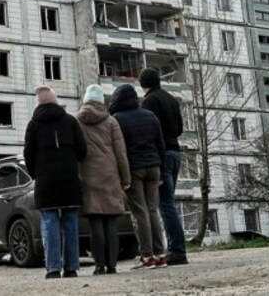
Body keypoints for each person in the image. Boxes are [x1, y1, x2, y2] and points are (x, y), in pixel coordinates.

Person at [24, 85, 87, 279]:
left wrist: (36, 174)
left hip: (45, 179)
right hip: (69, 177)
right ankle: (71, 267)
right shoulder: (70, 121)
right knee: (70, 221)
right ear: (55, 101)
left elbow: (28, 154)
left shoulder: (33, 124)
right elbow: (82, 149)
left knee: (49, 221)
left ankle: (52, 268)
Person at [109, 84, 167, 270]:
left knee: (139, 212)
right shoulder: (150, 116)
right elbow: (161, 145)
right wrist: (162, 171)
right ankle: (160, 255)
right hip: (154, 167)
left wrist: (121, 176)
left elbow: (119, 150)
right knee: (152, 210)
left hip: (134, 169)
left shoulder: (117, 119)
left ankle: (147, 256)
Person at [77, 84, 131, 275]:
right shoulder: (111, 122)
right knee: (111, 223)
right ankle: (112, 265)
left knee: (95, 222)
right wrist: (125, 178)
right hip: (109, 175)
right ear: (102, 101)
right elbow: (121, 153)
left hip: (88, 175)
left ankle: (99, 265)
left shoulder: (78, 120)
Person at [140, 68, 189, 266]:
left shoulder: (150, 102)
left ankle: (177, 250)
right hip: (176, 153)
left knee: (165, 204)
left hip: (162, 156)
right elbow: (179, 129)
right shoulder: (170, 99)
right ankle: (177, 248)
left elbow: (150, 130)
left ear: (143, 85)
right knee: (169, 202)